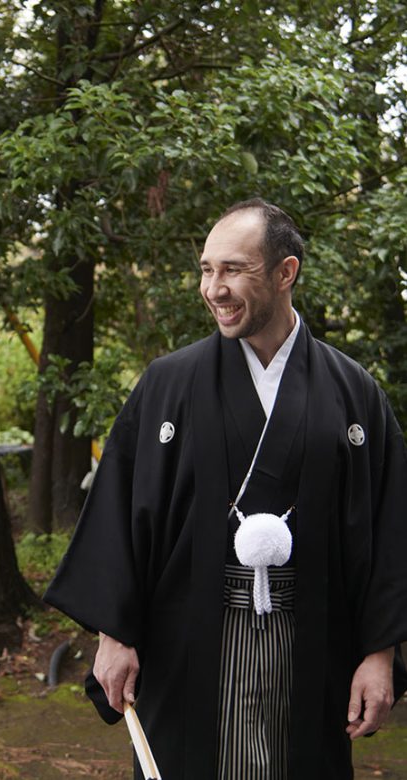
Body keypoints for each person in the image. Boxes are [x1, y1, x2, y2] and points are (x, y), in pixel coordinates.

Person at [44, 198, 407, 779]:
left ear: (286, 273)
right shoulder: (168, 384)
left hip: (309, 645)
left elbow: (389, 531)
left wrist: (379, 653)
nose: (215, 288)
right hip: (186, 646)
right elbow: (122, 513)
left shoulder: (353, 392)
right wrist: (115, 633)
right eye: (207, 270)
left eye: (234, 269)